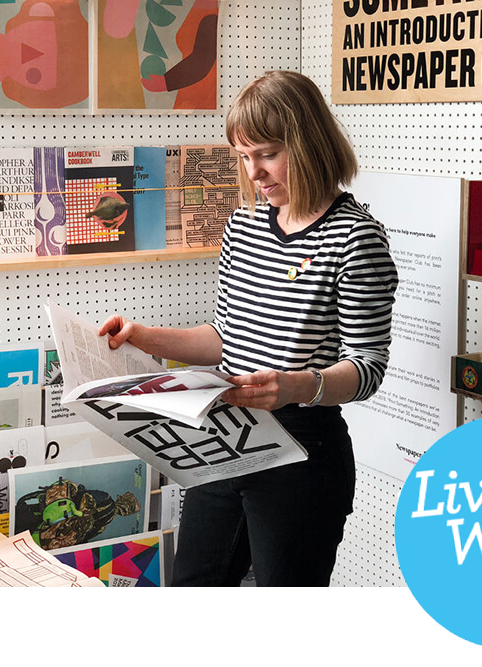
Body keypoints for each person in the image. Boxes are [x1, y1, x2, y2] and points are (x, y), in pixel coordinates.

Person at [99, 70, 398, 586]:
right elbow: (224, 336)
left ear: (308, 143)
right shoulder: (244, 225)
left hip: (304, 452)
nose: (254, 172)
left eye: (266, 153)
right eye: (243, 156)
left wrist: (303, 385)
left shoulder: (356, 239)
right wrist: (142, 335)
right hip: (226, 443)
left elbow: (368, 368)